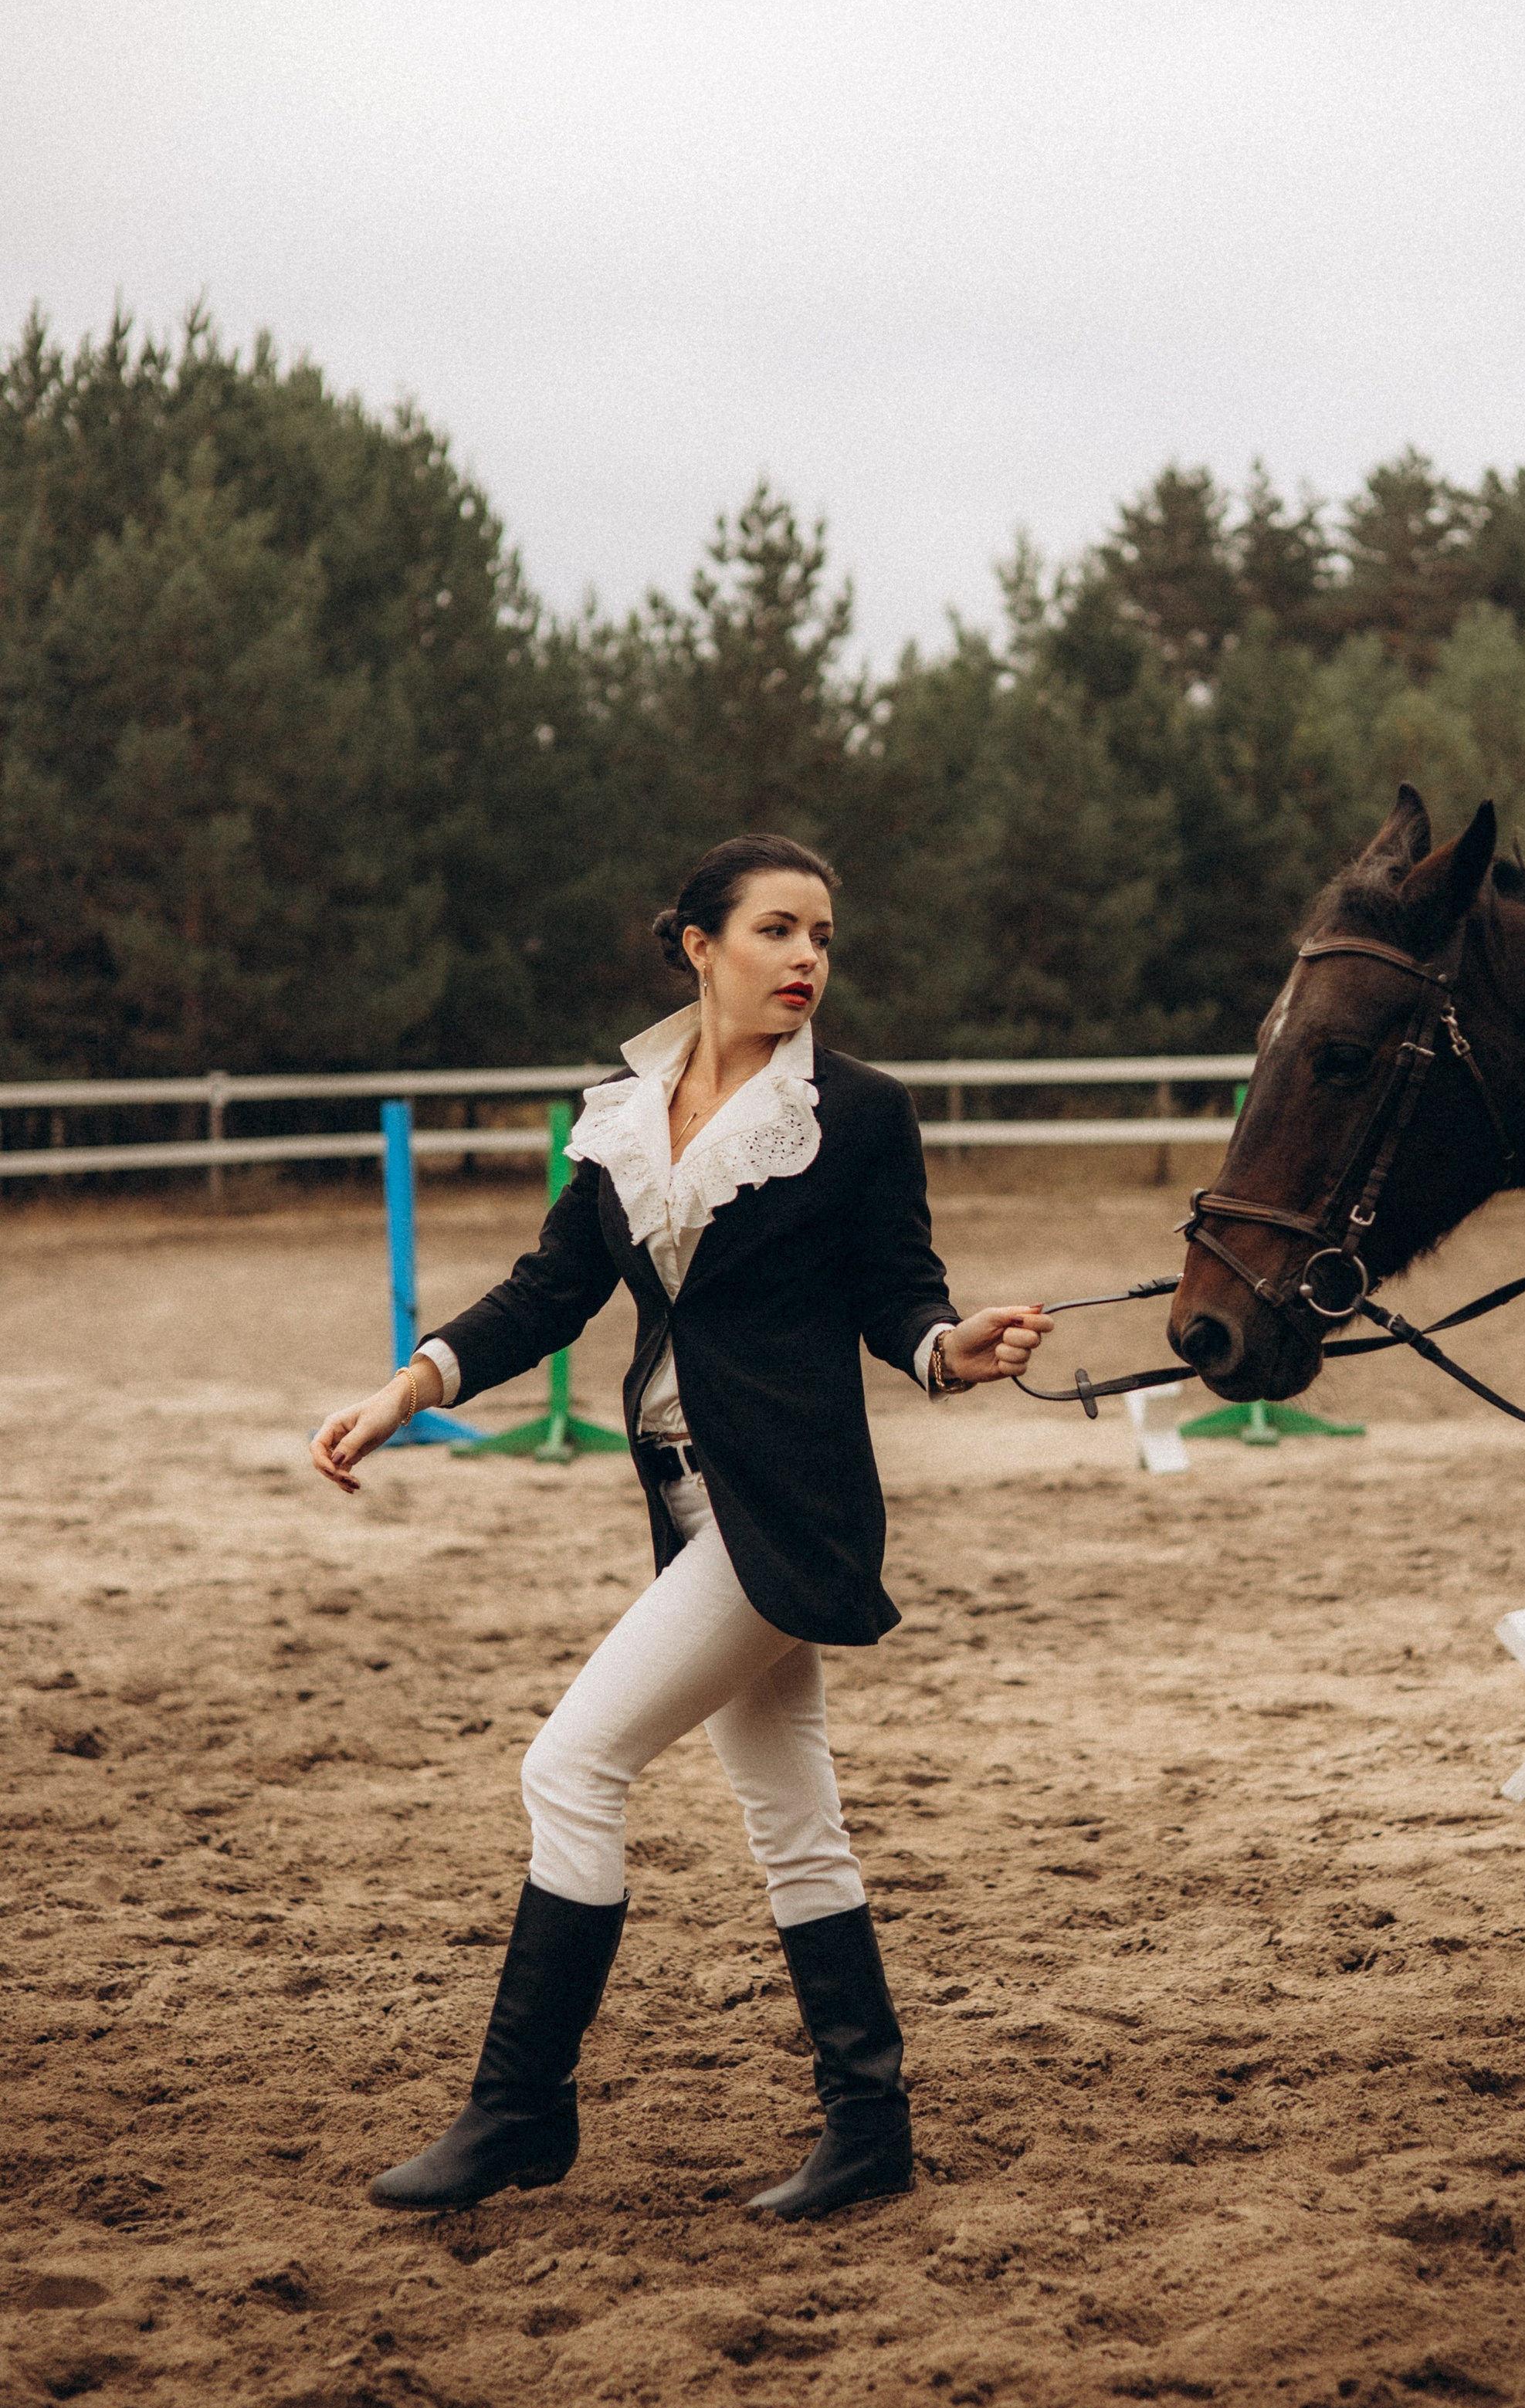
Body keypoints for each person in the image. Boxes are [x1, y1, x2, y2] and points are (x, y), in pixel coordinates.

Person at [310, 835, 1048, 2221]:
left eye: (823, 935)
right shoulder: (621, 1113)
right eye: (779, 931)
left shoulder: (860, 1113)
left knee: (571, 1767)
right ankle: (869, 2127)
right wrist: (409, 1388)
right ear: (700, 946)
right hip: (683, 1500)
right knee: (795, 1823)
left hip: (785, 1512)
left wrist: (955, 1348)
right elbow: (546, 1293)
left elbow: (902, 1297)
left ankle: (521, 2109)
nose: (808, 959)